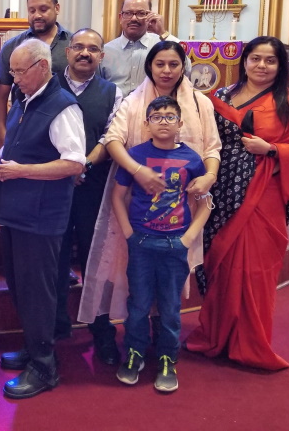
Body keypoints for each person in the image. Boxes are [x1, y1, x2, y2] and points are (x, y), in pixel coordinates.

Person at [79, 41, 221, 354]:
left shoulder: (200, 103)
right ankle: (134, 342)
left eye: (174, 64)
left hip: (182, 209)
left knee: (170, 283)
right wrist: (137, 170)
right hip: (137, 209)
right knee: (135, 278)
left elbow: (212, 148)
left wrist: (209, 176)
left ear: (183, 67)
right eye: (160, 64)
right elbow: (113, 140)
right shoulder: (133, 101)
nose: (166, 71)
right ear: (149, 67)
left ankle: (164, 343)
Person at [186, 36, 289, 370]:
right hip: (221, 189)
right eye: (255, 58)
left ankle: (250, 343)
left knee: (254, 269)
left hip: (263, 193)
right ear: (243, 61)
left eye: (270, 60)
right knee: (220, 263)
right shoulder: (221, 96)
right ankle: (215, 335)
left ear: (281, 65)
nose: (262, 66)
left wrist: (272, 149)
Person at [0, 38, 86, 399]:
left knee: (37, 293)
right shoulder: (25, 99)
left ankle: (45, 367)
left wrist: (20, 170)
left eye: (19, 71)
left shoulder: (62, 107)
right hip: (16, 211)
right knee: (19, 286)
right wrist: (1, 159)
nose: (14, 79)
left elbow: (74, 163)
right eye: (11, 71)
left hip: (41, 216)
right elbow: (20, 145)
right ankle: (33, 348)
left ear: (42, 67)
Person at [114, 96, 211, 393]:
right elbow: (118, 196)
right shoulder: (135, 156)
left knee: (170, 307)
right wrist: (129, 233)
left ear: (180, 123)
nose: (164, 122)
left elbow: (205, 202)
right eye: (157, 117)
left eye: (170, 117)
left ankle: (168, 357)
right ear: (147, 124)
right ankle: (135, 352)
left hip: (174, 244)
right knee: (138, 304)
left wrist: (188, 238)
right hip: (141, 242)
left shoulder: (193, 159)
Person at [53, 29, 123, 365]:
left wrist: (82, 165)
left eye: (93, 49)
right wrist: (63, 169)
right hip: (52, 187)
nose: (85, 53)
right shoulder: (48, 85)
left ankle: (101, 332)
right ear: (67, 52)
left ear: (101, 56)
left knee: (95, 261)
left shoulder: (112, 93)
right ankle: (52, 332)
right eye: (79, 47)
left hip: (93, 187)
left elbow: (111, 136)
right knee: (53, 260)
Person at [0, 0, 71, 146]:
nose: (37, 15)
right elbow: (0, 96)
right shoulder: (13, 46)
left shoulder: (72, 44)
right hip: (23, 130)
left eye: (43, 9)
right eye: (32, 10)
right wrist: (2, 137)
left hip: (63, 128)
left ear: (57, 8)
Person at [101, 0, 190, 98]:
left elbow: (186, 69)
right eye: (128, 13)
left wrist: (163, 33)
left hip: (153, 106)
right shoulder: (106, 50)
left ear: (150, 16)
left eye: (141, 13)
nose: (134, 18)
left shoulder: (161, 44)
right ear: (120, 18)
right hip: (116, 107)